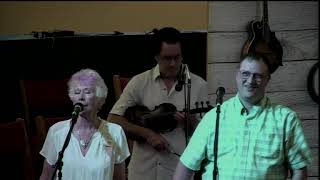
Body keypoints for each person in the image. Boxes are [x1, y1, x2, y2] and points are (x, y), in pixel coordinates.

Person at [173, 53, 312, 180]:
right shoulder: (213, 117)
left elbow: (299, 170)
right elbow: (186, 167)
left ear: (267, 80)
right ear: (237, 75)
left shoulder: (286, 119)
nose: (250, 80)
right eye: (245, 73)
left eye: (258, 76)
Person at [107, 27, 209, 180]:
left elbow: (207, 135)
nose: (173, 63)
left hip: (178, 170)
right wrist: (147, 134)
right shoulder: (139, 82)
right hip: (143, 171)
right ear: (156, 56)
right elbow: (113, 119)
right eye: (167, 58)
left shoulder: (198, 85)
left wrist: (192, 123)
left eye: (177, 57)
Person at [39, 68, 130, 180]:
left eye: (87, 92)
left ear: (99, 99)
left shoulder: (115, 132)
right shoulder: (57, 131)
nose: (81, 97)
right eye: (77, 92)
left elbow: (119, 178)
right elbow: (47, 176)